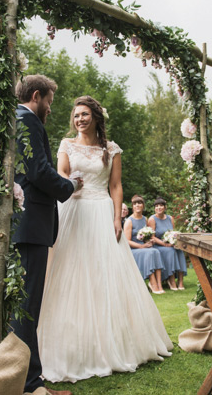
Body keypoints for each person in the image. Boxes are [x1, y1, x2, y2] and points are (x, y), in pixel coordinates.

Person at [38, 96, 172, 383]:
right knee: (68, 272)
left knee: (104, 273)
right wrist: (69, 182)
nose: (80, 119)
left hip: (101, 212)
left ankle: (112, 341)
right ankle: (70, 340)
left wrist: (116, 218)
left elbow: (115, 185)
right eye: (76, 115)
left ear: (96, 117)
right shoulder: (66, 144)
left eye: (85, 114)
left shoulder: (110, 149)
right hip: (72, 209)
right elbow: (60, 172)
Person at [10, 75, 82, 395]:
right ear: (36, 96)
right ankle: (31, 384)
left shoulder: (13, 118)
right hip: (31, 225)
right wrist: (69, 186)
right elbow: (38, 171)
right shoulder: (28, 121)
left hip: (22, 226)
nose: (51, 109)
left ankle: (20, 376)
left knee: (20, 306)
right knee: (27, 309)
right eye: (50, 101)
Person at [123, 195, 165, 294]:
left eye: (140, 203)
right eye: (135, 204)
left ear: (143, 205)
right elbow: (127, 241)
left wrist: (148, 242)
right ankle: (152, 282)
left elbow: (146, 236)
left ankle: (159, 284)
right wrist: (142, 246)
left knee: (156, 251)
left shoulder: (144, 219)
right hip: (134, 250)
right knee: (150, 253)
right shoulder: (129, 221)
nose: (137, 205)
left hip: (144, 247)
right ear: (132, 206)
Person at [148, 197, 187, 290]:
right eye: (156, 206)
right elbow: (152, 237)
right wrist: (164, 244)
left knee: (179, 250)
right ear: (154, 208)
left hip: (169, 244)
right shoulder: (152, 219)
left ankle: (180, 281)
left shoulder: (170, 218)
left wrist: (172, 241)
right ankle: (171, 279)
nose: (159, 208)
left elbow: (173, 233)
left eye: (161, 205)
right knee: (170, 251)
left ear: (165, 207)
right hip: (158, 245)